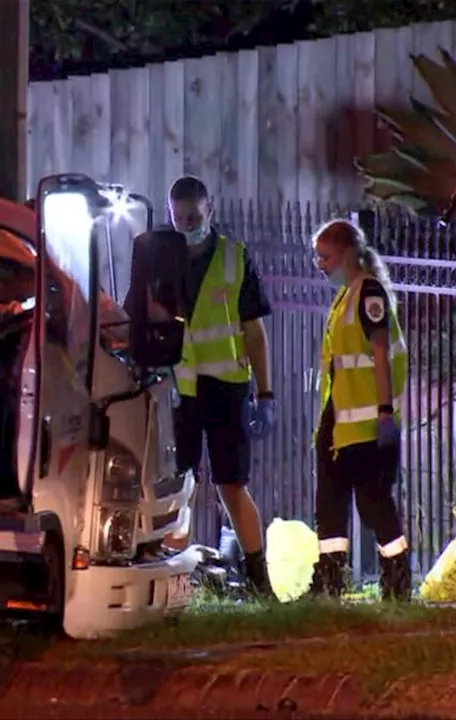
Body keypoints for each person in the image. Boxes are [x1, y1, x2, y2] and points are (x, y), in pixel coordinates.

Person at [146, 176, 276, 598]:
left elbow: (254, 331)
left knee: (231, 484)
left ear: (211, 209)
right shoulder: (158, 259)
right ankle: (173, 584)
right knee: (179, 486)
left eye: (194, 217)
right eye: (179, 217)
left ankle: (259, 583)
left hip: (226, 389)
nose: (186, 225)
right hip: (179, 392)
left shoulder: (235, 258)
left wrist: (267, 394)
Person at [309, 218, 412, 601]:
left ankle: (397, 582)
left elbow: (381, 352)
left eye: (326, 257)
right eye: (317, 257)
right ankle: (330, 581)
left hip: (367, 427)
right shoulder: (346, 295)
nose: (320, 264)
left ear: (349, 253)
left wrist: (385, 413)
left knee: (374, 505)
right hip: (340, 425)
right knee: (331, 507)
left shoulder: (368, 292)